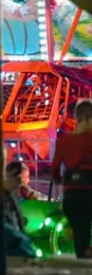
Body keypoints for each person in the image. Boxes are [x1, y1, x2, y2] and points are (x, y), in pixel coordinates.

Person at [55, 98, 92, 258]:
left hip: (71, 198)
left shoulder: (63, 141)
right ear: (86, 119)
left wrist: (60, 183)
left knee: (80, 235)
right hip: (89, 193)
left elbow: (55, 170)